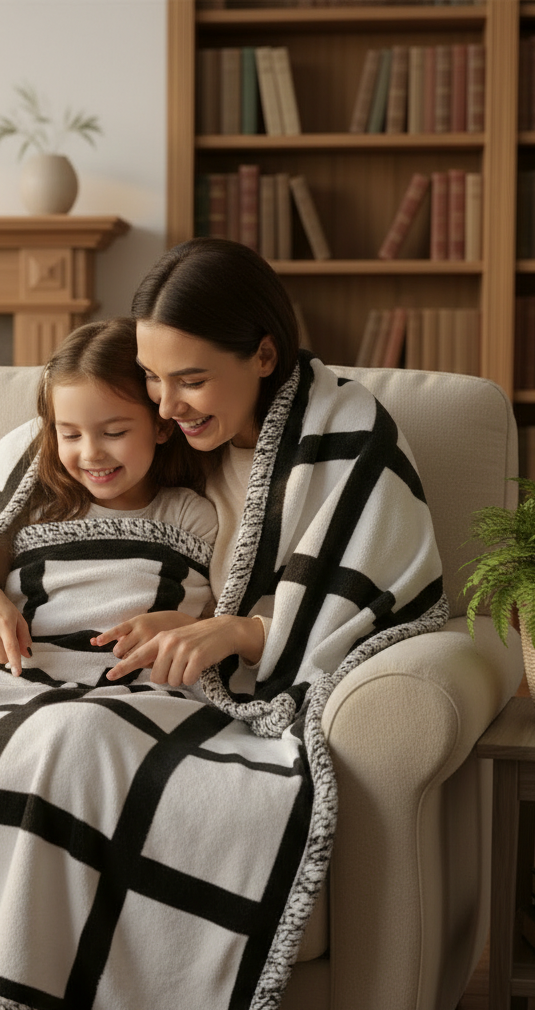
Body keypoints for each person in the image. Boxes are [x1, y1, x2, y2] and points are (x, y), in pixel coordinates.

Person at [100, 236, 447, 710]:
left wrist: (239, 631)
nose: (165, 405)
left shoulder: (350, 434)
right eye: (151, 375)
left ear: (264, 356)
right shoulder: (154, 431)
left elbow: (365, 615)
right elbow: (43, 473)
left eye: (192, 381)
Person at [0, 316, 218, 677]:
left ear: (160, 425)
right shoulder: (31, 510)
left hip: (128, 683)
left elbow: (220, 614)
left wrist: (180, 624)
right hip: (24, 675)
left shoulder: (191, 515)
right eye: (71, 435)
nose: (91, 453)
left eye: (113, 432)